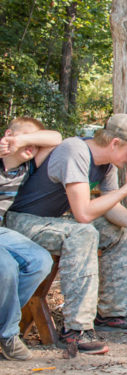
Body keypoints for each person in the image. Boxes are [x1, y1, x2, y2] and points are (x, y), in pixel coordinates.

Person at [6, 114, 127, 356]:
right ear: (115, 143)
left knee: (117, 231)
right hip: (21, 222)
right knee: (83, 233)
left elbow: (109, 205)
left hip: (52, 220)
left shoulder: (106, 164)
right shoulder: (75, 151)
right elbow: (84, 213)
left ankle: (111, 315)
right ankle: (76, 329)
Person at [0, 117, 60, 360]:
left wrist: (24, 140)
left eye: (35, 143)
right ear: (7, 134)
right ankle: (8, 334)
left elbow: (56, 139)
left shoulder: (28, 166)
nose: (31, 147)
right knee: (6, 266)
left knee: (40, 261)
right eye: (24, 137)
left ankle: (5, 325)